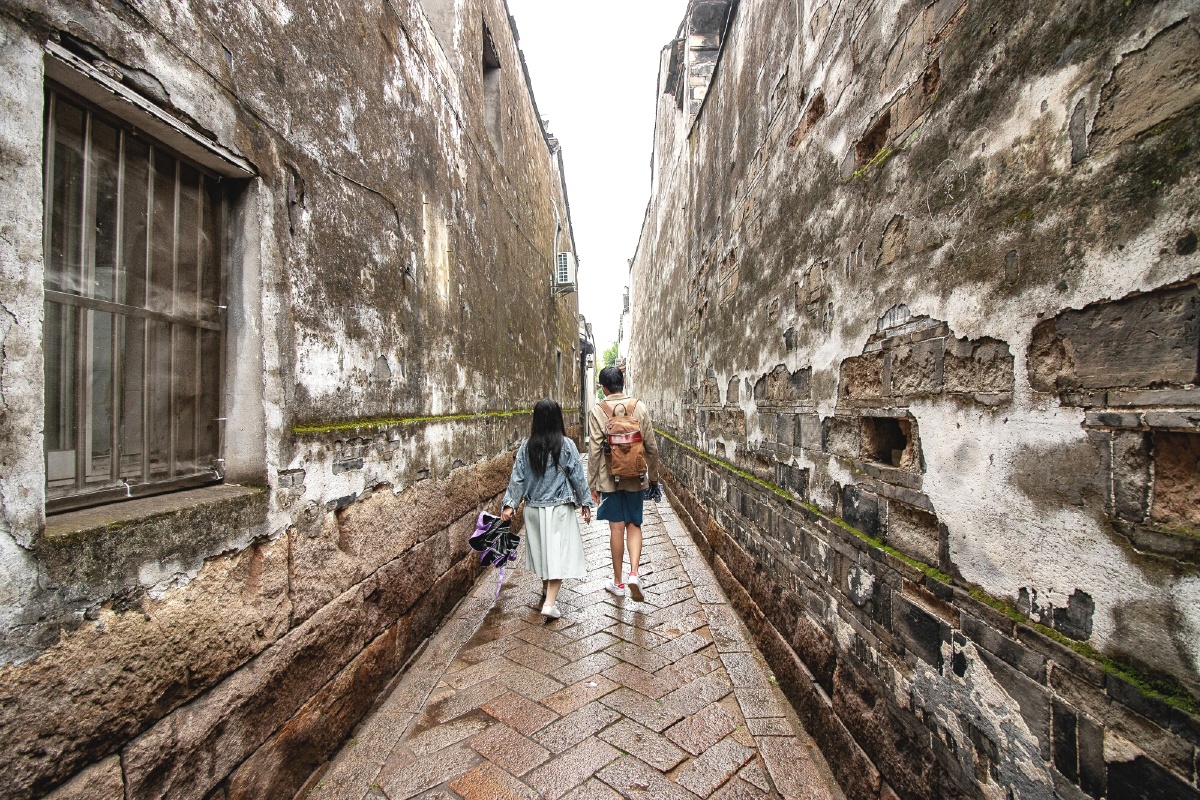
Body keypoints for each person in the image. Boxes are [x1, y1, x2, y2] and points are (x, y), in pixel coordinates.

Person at [501, 398, 594, 620]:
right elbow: (578, 477)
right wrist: (585, 503)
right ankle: (550, 603)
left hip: (533, 510)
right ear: (557, 418)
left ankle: (546, 590)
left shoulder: (527, 446)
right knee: (558, 556)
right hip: (559, 509)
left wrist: (509, 505)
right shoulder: (567, 445)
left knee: (543, 553)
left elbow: (518, 479)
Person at [587, 365, 660, 601]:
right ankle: (634, 574)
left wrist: (592, 484)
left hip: (610, 480)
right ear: (623, 382)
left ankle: (618, 582)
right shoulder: (639, 407)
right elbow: (651, 447)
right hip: (636, 477)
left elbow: (595, 450)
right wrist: (654, 477)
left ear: (603, 387)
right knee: (634, 524)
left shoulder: (598, 410)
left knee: (616, 528)